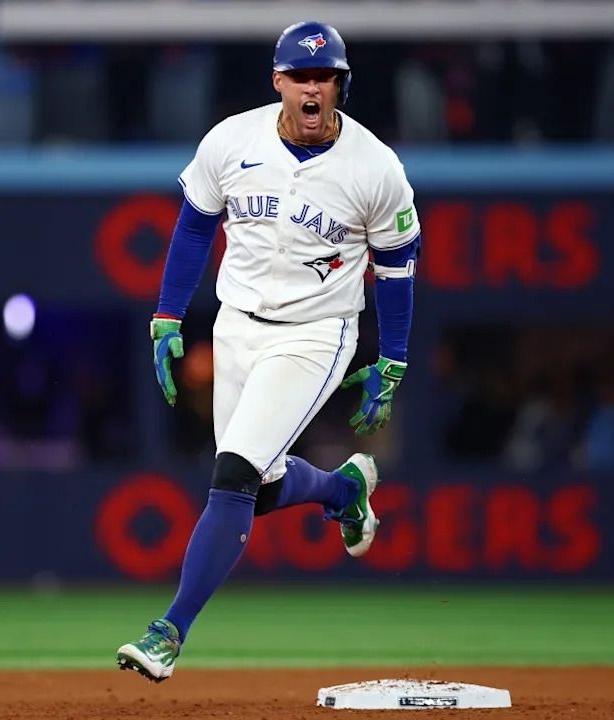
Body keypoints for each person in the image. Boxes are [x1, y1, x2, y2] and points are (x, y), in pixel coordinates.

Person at [116, 20, 421, 683]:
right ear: (278, 81)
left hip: (316, 334)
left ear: (341, 85)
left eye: (327, 78)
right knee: (256, 484)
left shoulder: (375, 168)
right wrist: (168, 313)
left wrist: (391, 360)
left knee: (232, 476)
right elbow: (195, 223)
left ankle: (170, 631)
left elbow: (397, 272)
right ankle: (344, 489)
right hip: (236, 325)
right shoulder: (232, 140)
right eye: (302, 77)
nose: (315, 90)